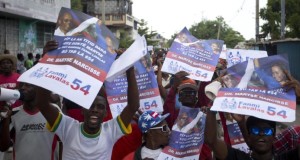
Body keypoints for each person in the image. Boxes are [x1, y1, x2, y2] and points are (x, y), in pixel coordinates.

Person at [36, 40, 140, 159]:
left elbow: (133, 106)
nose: (95, 110)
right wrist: (46, 61)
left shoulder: (111, 130)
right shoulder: (67, 127)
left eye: (100, 107)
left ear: (106, 113)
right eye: (90, 106)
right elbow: (42, 104)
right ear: (82, 110)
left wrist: (129, 69)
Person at [205, 109, 300, 160]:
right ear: (249, 136)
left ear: (274, 137)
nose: (262, 133)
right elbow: (211, 141)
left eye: (267, 131)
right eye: (255, 130)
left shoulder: (287, 157)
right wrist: (212, 107)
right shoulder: (237, 157)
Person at [0, 83, 60, 160]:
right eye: (23, 85)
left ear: (39, 90)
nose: (23, 88)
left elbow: (63, 141)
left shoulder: (53, 110)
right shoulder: (13, 113)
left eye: (28, 85)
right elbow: (3, 147)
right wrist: (6, 119)